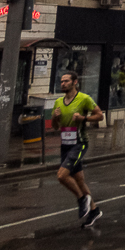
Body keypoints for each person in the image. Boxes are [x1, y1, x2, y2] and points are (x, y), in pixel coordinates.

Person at [50, 71, 105, 227]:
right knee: (79, 180)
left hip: (79, 143)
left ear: (75, 82)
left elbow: (100, 115)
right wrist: (55, 117)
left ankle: (82, 199)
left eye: (66, 81)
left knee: (61, 176)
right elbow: (55, 126)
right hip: (65, 144)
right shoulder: (59, 102)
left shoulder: (84, 99)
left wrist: (83, 118)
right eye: (61, 81)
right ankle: (94, 211)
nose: (63, 84)